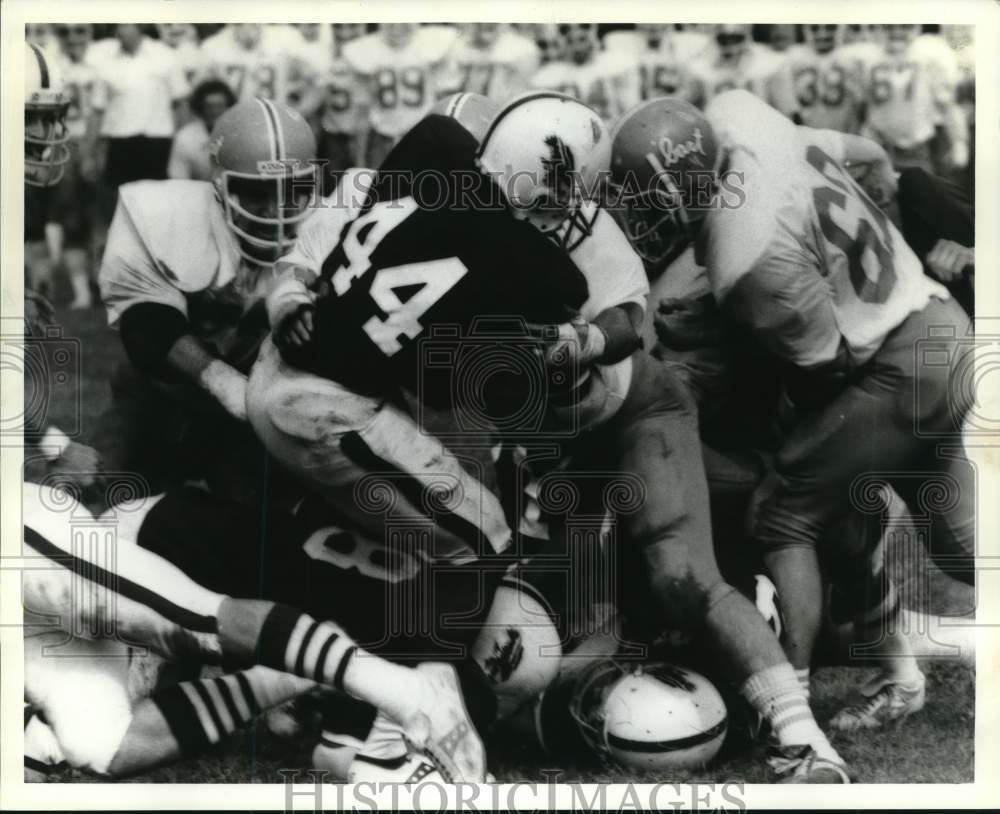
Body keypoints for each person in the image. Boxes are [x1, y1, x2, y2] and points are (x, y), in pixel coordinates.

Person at [607, 91, 975, 734]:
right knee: (960, 545)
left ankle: (788, 705)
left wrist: (725, 329)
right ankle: (898, 675)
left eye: (647, 199)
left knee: (785, 513)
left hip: (895, 367)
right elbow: (868, 157)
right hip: (935, 319)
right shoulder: (743, 118)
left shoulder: (743, 257)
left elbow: (822, 370)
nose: (638, 212)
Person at [96, 98, 320, 500]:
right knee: (106, 512)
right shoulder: (168, 214)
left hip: (257, 403)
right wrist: (222, 382)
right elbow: (146, 324)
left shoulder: (330, 224)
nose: (276, 211)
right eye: (257, 194)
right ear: (221, 185)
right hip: (161, 393)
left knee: (257, 524)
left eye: (293, 190)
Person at [87, 24, 190, 221]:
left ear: (139, 26)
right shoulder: (106, 62)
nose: (120, 30)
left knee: (156, 205)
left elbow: (181, 102)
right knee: (117, 205)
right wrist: (90, 152)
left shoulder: (166, 56)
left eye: (126, 24)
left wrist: (182, 145)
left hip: (157, 142)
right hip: (119, 142)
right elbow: (97, 110)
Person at [167, 78, 237, 181]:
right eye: (209, 106)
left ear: (229, 108)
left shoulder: (240, 136)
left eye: (219, 106)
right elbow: (178, 180)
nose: (214, 112)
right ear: (200, 108)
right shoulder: (185, 138)